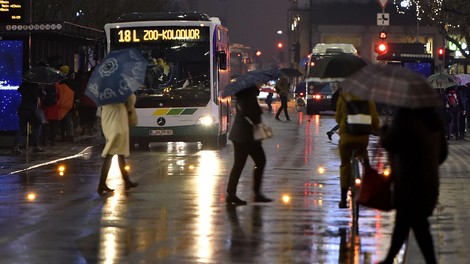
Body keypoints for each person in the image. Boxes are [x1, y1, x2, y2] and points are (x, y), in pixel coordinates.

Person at [378, 108, 448, 264]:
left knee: (416, 225)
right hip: (428, 182)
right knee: (406, 223)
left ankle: (429, 261)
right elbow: (442, 154)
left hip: (409, 181)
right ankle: (389, 259)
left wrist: (383, 130)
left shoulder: (405, 118)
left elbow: (391, 143)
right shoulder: (434, 121)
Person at [226, 85, 273, 205]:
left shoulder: (242, 94)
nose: (260, 84)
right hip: (247, 136)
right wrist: (259, 111)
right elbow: (252, 113)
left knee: (238, 165)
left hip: (238, 135)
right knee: (260, 161)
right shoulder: (250, 94)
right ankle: (257, 193)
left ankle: (231, 194)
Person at [335, 92, 379, 208]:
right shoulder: (368, 97)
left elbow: (338, 117)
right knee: (364, 156)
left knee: (345, 165)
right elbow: (374, 118)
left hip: (346, 138)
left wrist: (343, 124)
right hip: (362, 138)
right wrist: (376, 130)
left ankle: (343, 199)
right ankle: (368, 182)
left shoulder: (343, 97)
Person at [97, 93, 138, 195]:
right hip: (118, 120)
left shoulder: (104, 90)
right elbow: (131, 98)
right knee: (111, 152)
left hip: (108, 119)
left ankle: (126, 180)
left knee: (120, 152)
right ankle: (101, 183)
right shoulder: (119, 88)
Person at [12, 81, 45, 154]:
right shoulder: (35, 85)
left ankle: (15, 146)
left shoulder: (25, 84)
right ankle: (36, 146)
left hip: (22, 108)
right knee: (36, 127)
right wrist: (41, 92)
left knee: (21, 129)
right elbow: (35, 97)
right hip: (31, 110)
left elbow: (20, 90)